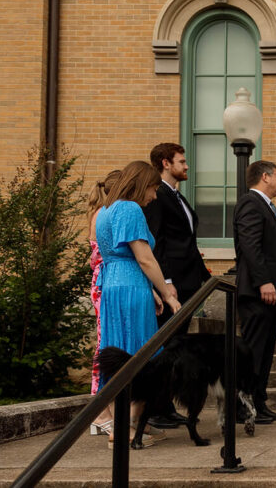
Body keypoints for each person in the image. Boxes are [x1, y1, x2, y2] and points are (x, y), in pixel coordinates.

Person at [93, 160, 181, 446]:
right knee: (141, 354)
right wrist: (166, 292)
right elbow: (144, 257)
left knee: (119, 351)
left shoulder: (106, 210)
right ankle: (126, 426)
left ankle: (132, 422)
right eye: (153, 188)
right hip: (130, 286)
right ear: (142, 184)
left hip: (114, 285)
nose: (154, 196)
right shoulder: (130, 209)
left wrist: (151, 291)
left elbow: (121, 255)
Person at [143, 142, 210, 429]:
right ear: (165, 163)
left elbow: (185, 241)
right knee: (167, 346)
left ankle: (166, 405)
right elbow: (156, 242)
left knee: (177, 345)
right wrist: (166, 284)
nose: (186, 166)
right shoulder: (157, 195)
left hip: (190, 280)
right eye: (181, 161)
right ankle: (157, 408)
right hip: (173, 284)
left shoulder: (177, 196)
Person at [234, 160, 276, 425]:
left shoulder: (267, 206)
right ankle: (243, 406)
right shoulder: (251, 203)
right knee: (253, 351)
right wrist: (264, 281)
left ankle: (259, 402)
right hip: (259, 292)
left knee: (265, 351)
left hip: (272, 293)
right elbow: (250, 245)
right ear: (265, 177)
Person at [86, 169, 121, 435]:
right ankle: (99, 413)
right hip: (104, 284)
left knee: (107, 343)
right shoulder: (103, 215)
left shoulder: (105, 213)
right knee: (103, 344)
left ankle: (106, 410)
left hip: (106, 281)